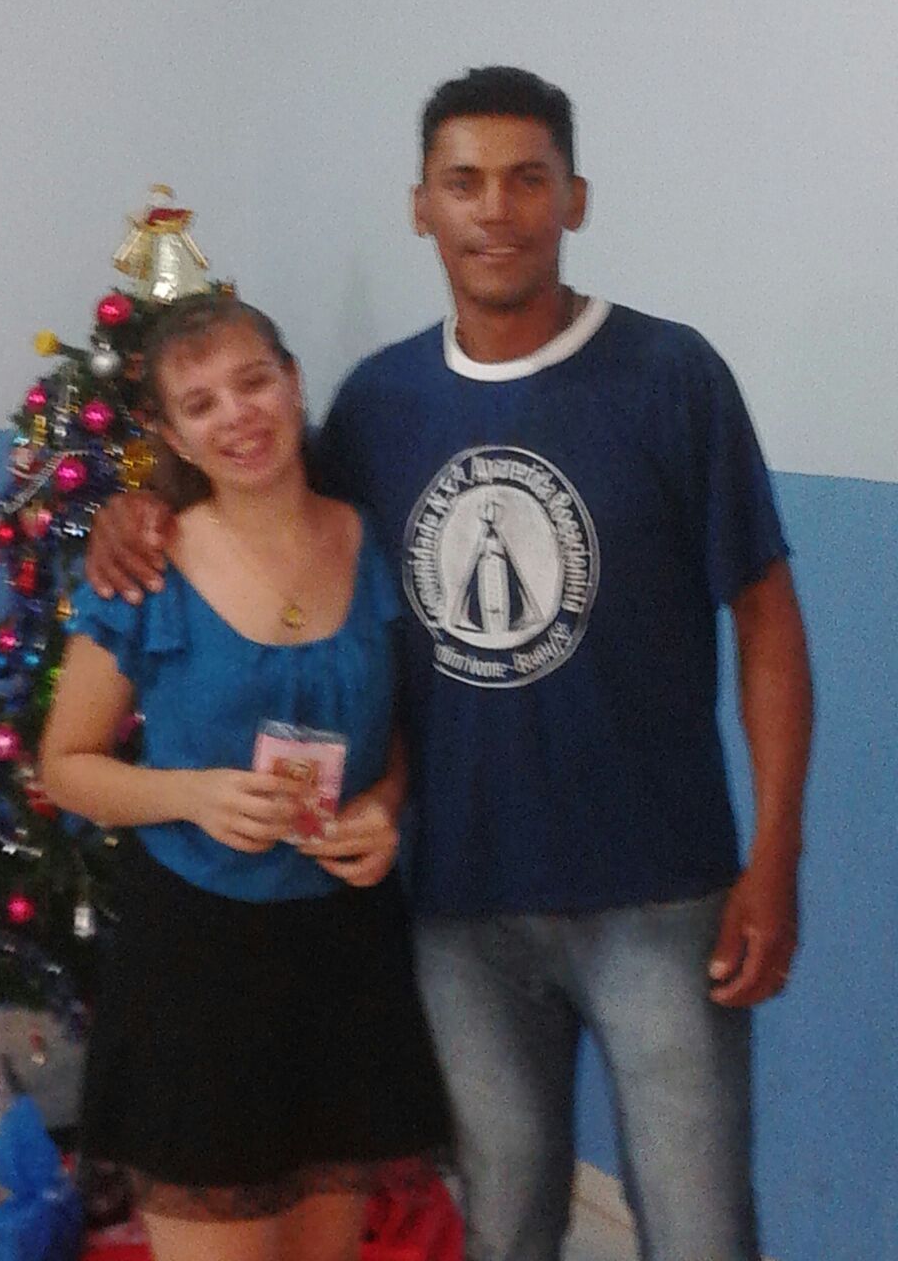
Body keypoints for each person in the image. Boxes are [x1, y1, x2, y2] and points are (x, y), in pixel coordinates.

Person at [84, 67, 813, 1261]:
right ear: (421, 207)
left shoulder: (673, 376)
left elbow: (769, 620)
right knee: (502, 1224)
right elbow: (264, 500)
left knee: (700, 1228)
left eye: (527, 178)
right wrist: (137, 507)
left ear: (575, 197)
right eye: (463, 182)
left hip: (661, 893)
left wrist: (775, 854)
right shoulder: (381, 403)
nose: (496, 209)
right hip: (457, 907)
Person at [40, 293, 451, 1261]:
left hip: (344, 955)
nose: (238, 415)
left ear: (293, 381)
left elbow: (396, 732)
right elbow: (66, 765)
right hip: (200, 964)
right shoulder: (147, 568)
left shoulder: (373, 542)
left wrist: (387, 804)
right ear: (172, 433)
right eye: (202, 402)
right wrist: (193, 793)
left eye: (253, 381)